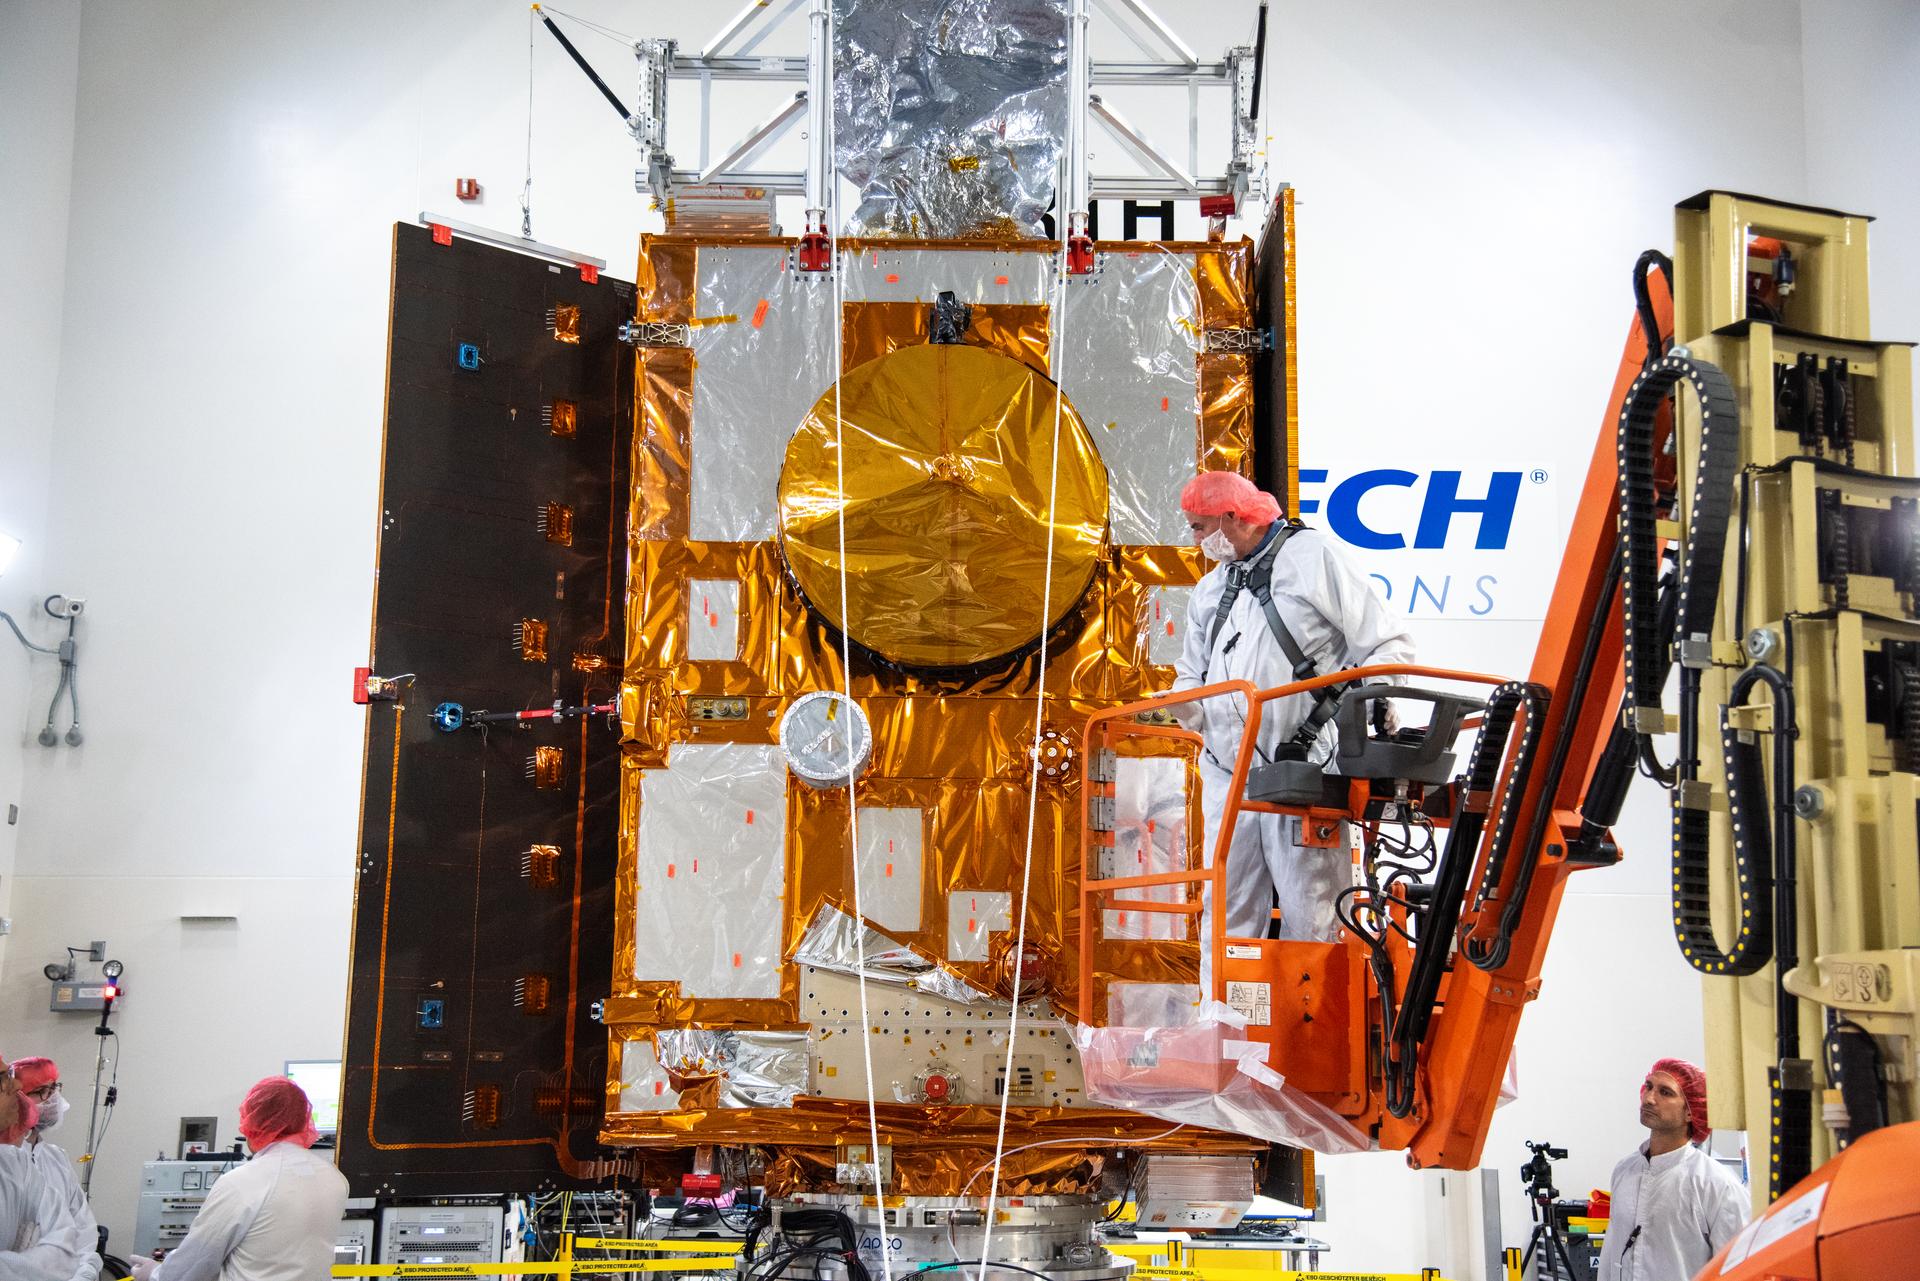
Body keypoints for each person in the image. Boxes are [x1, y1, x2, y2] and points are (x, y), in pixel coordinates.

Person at [1170, 470, 1415, 951]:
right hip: (1227, 772)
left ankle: (1318, 1022)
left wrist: (1380, 696)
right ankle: (1226, 1023)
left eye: (1200, 527)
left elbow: (1387, 641)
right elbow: (1189, 672)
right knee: (1226, 912)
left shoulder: (1312, 558)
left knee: (1315, 911)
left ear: (1232, 518)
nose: (1195, 538)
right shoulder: (1212, 589)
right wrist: (1181, 706)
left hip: (1302, 766)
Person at [129, 1077, 347, 1281]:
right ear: (304, 1119)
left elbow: (197, 1262)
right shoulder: (335, 1179)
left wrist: (155, 1273)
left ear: (255, 1121)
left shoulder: (243, 1182)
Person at [1594, 1057, 1749, 1281]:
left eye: (1665, 1092)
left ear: (1690, 1111)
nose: (1648, 1098)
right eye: (1648, 1087)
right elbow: (1610, 1255)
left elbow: (1736, 1270)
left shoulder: (1716, 1184)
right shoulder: (1624, 1171)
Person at [0, 1054, 91, 1281]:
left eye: (54, 1088)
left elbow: (71, 1241)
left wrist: (83, 1273)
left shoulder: (19, 1165)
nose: (15, 1086)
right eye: (42, 1091)